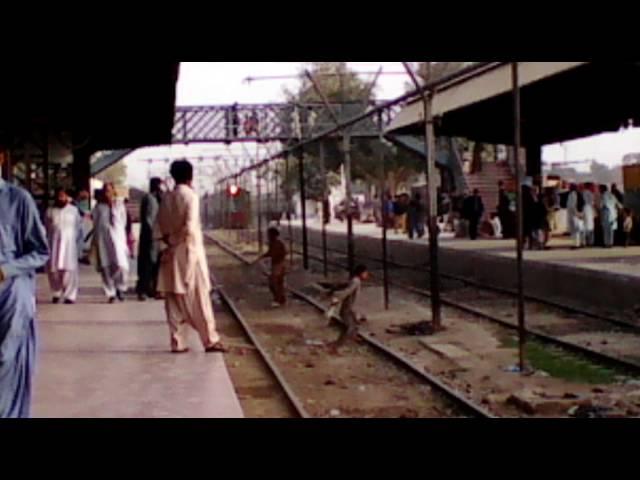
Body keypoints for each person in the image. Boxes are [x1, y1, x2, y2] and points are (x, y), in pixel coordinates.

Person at [156, 160, 226, 354]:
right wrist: (177, 240)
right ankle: (210, 340)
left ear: (173, 175)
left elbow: (159, 226)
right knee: (199, 297)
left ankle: (178, 342)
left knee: (173, 299)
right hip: (189, 253)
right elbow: (189, 225)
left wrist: (168, 242)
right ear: (190, 176)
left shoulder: (166, 198)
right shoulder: (191, 197)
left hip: (169, 254)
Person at [0, 170, 49, 418]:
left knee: (6, 359)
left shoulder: (18, 199)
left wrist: (6, 270)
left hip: (10, 293)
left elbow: (40, 251)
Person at [92, 183, 130, 303]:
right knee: (106, 266)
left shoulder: (119, 205)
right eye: (106, 191)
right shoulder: (98, 207)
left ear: (114, 192)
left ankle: (121, 287)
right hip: (103, 239)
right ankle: (110, 293)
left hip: (118, 238)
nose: (108, 193)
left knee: (121, 265)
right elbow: (95, 223)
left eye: (110, 191)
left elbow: (124, 222)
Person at [45, 188, 83, 304]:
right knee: (54, 271)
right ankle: (56, 292)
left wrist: (78, 245)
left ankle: (70, 295)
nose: (61, 198)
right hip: (54, 244)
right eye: (59, 196)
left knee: (69, 270)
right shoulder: (50, 211)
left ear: (68, 197)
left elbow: (79, 228)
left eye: (63, 196)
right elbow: (46, 227)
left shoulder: (74, 211)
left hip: (69, 245)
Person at [327, 264, 370, 349]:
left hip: (351, 309)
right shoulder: (356, 281)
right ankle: (338, 344)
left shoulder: (355, 281)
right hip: (348, 309)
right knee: (349, 327)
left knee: (355, 325)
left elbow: (345, 287)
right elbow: (348, 291)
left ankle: (349, 341)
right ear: (361, 273)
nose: (367, 275)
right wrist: (337, 298)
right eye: (365, 273)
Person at [136, 178, 163, 301]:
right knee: (147, 263)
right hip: (150, 237)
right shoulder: (149, 199)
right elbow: (148, 219)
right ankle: (143, 289)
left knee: (154, 263)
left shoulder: (155, 199)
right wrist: (153, 234)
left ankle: (151, 288)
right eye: (160, 186)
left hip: (154, 237)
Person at [253, 227, 288, 308]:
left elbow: (273, 253)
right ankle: (281, 299)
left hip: (278, 265)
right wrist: (263, 256)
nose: (268, 236)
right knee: (279, 283)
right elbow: (271, 252)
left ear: (273, 235)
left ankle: (277, 300)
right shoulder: (275, 242)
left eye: (269, 234)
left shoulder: (277, 243)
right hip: (278, 264)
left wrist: (265, 258)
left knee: (274, 283)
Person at [600, 184, 621, 248]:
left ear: (602, 189)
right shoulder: (612, 195)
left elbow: (601, 205)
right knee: (611, 229)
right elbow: (619, 204)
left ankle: (607, 243)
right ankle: (611, 243)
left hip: (606, 212)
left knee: (606, 229)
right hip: (613, 213)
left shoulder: (604, 195)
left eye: (600, 189)